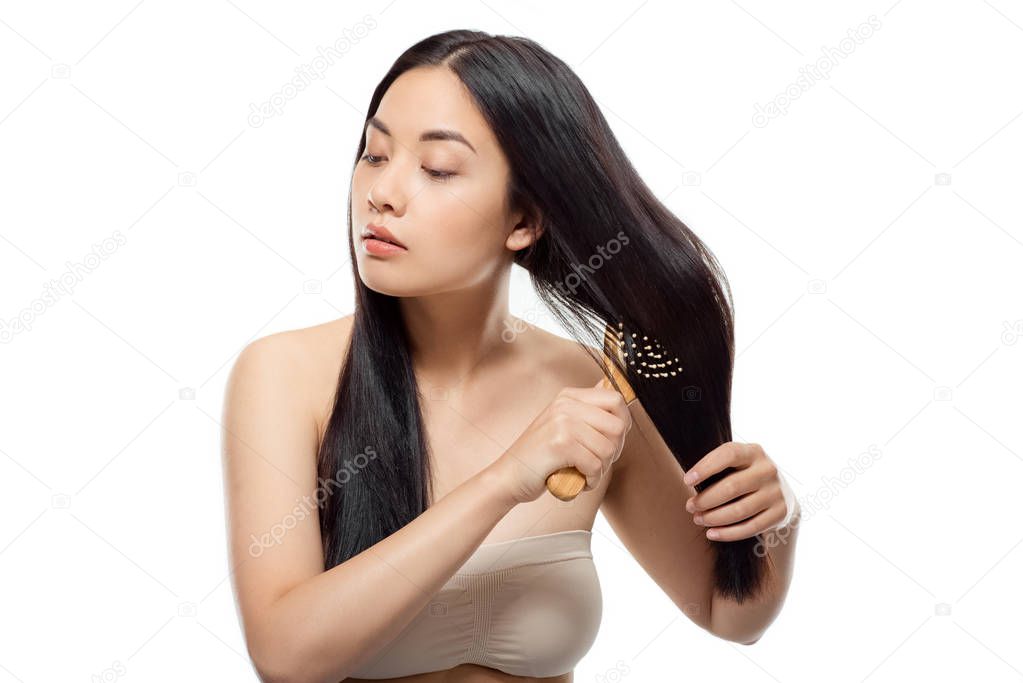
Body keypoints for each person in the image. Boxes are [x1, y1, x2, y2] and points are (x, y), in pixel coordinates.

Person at [222, 30, 800, 683]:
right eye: (374, 154)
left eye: (436, 168)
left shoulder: (594, 388)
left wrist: (773, 522)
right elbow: (285, 655)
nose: (381, 192)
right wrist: (505, 478)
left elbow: (730, 615)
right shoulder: (284, 375)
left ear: (522, 220)